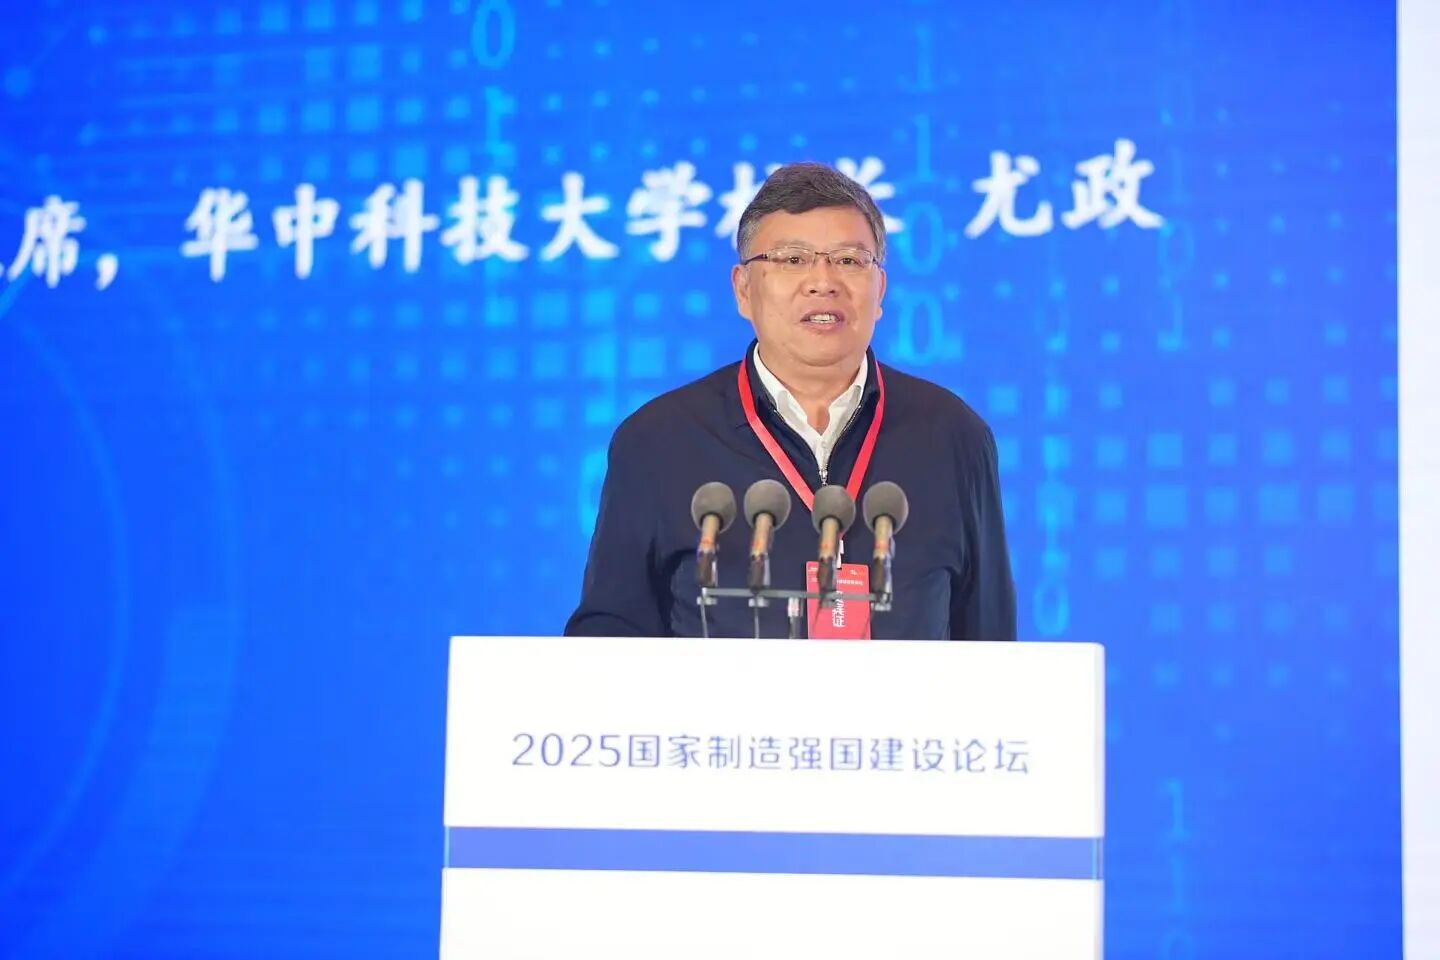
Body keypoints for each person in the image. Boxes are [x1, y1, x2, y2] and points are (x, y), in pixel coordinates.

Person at [565, 162, 1015, 641]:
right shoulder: (658, 440)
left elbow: (990, 642)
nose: (823, 282)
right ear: (743, 289)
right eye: (792, 259)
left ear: (880, 289)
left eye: (849, 260)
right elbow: (607, 638)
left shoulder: (952, 435)